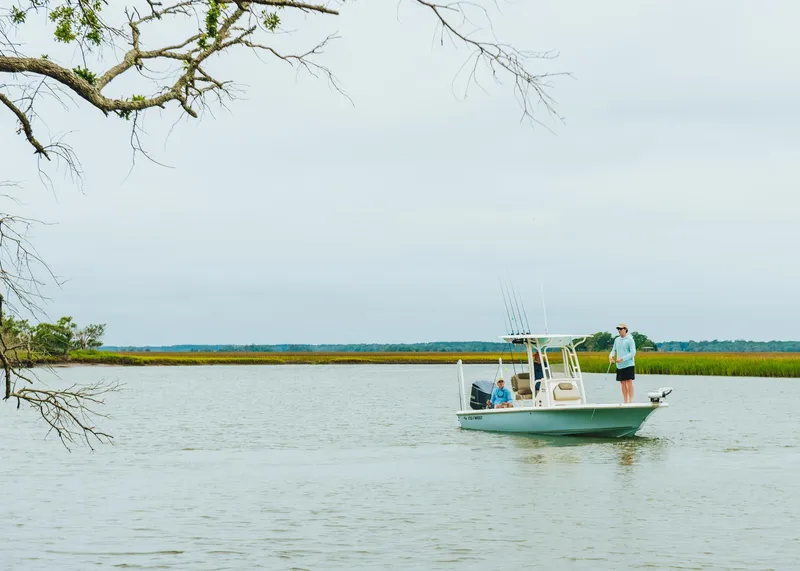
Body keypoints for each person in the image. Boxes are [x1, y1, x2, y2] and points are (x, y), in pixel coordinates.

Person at [609, 323, 636, 403]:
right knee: (622, 382)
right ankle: (625, 401)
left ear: (625, 329)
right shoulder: (617, 340)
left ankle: (631, 401)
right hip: (619, 365)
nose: (619, 331)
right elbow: (614, 350)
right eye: (618, 329)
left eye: (621, 329)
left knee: (629, 381)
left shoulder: (630, 339)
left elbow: (633, 352)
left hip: (628, 364)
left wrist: (623, 359)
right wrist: (611, 356)